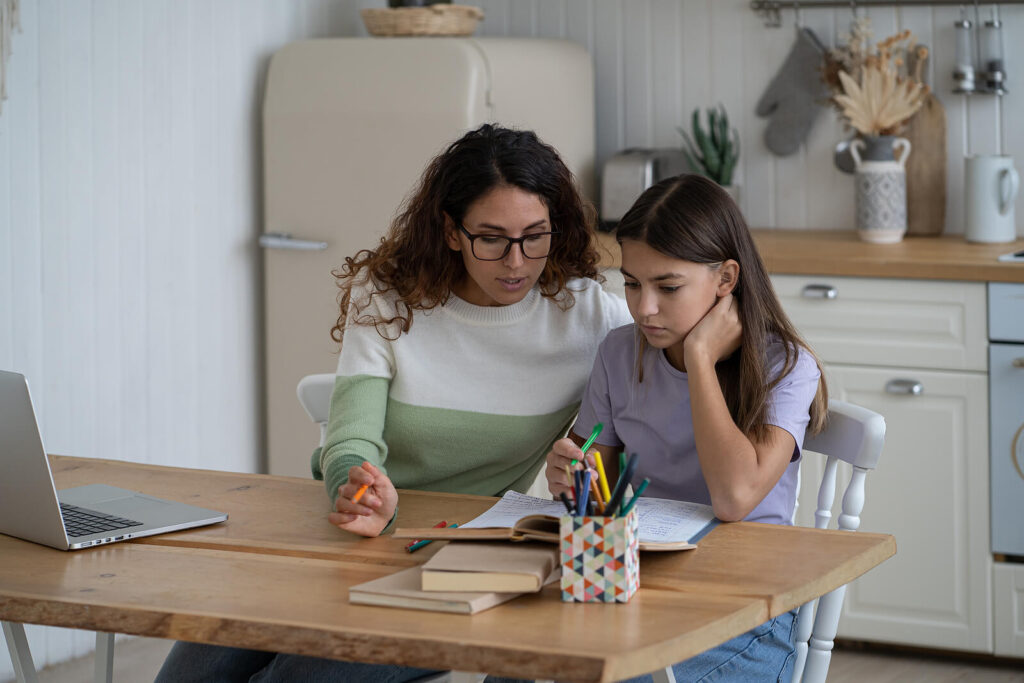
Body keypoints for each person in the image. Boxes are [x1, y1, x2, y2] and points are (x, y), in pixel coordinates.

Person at [155, 123, 631, 683]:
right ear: (452, 232)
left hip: (457, 558)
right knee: (192, 672)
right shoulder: (389, 296)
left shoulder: (592, 318)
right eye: (492, 237)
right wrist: (356, 488)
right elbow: (351, 437)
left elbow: (664, 395)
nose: (516, 261)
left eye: (535, 235)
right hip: (349, 534)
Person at [543, 173, 828, 682]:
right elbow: (599, 496)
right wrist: (574, 478)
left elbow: (735, 498)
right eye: (631, 283)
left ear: (726, 279)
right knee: (523, 663)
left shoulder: (786, 365)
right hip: (642, 590)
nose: (644, 307)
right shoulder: (617, 354)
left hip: (747, 610)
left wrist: (699, 358)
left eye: (667, 287)